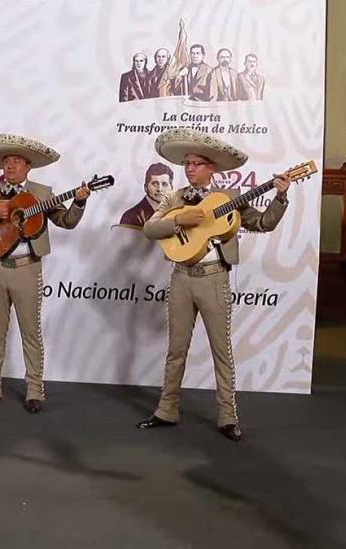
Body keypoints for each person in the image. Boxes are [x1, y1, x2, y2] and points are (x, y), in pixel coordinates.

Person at [136, 129, 290, 441]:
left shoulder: (231, 199)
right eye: (187, 163)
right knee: (175, 350)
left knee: (222, 350)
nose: (189, 168)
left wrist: (281, 195)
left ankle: (227, 416)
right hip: (181, 277)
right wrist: (179, 222)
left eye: (196, 163)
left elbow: (264, 223)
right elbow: (150, 230)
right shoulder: (175, 197)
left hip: (214, 278)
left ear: (212, 168)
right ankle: (166, 410)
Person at [0, 133, 90, 413]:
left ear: (28, 166)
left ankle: (34, 390)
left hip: (27, 268)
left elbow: (66, 222)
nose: (10, 166)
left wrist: (78, 201)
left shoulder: (42, 194)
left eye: (17, 161)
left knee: (30, 331)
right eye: (7, 161)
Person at [118, 162, 174, 228]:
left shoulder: (176, 212)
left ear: (171, 188)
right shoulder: (131, 216)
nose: (159, 189)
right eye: (155, 184)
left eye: (164, 184)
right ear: (145, 187)